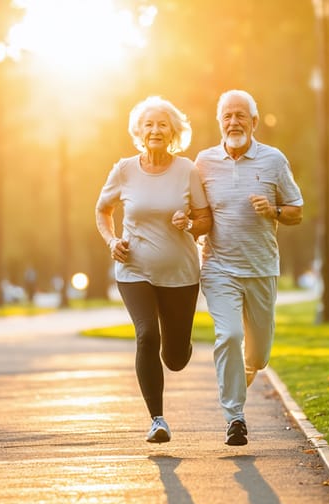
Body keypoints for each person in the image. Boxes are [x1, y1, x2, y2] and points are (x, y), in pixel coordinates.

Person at [95, 96, 211, 444]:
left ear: (173, 131)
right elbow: (103, 210)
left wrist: (190, 222)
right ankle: (157, 420)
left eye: (162, 124)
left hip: (181, 274)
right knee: (147, 335)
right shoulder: (124, 170)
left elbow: (205, 219)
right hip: (134, 269)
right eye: (149, 124)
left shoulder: (187, 170)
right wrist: (112, 241)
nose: (155, 130)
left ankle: (179, 347)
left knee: (174, 358)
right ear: (139, 132)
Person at [195, 89, 304, 446]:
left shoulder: (273, 160)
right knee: (229, 336)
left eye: (241, 115)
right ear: (219, 122)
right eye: (227, 115)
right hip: (219, 268)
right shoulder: (204, 163)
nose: (233, 121)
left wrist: (272, 211)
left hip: (261, 268)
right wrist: (186, 220)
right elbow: (199, 216)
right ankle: (235, 417)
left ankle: (237, 388)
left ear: (254, 122)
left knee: (258, 355)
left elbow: (296, 211)